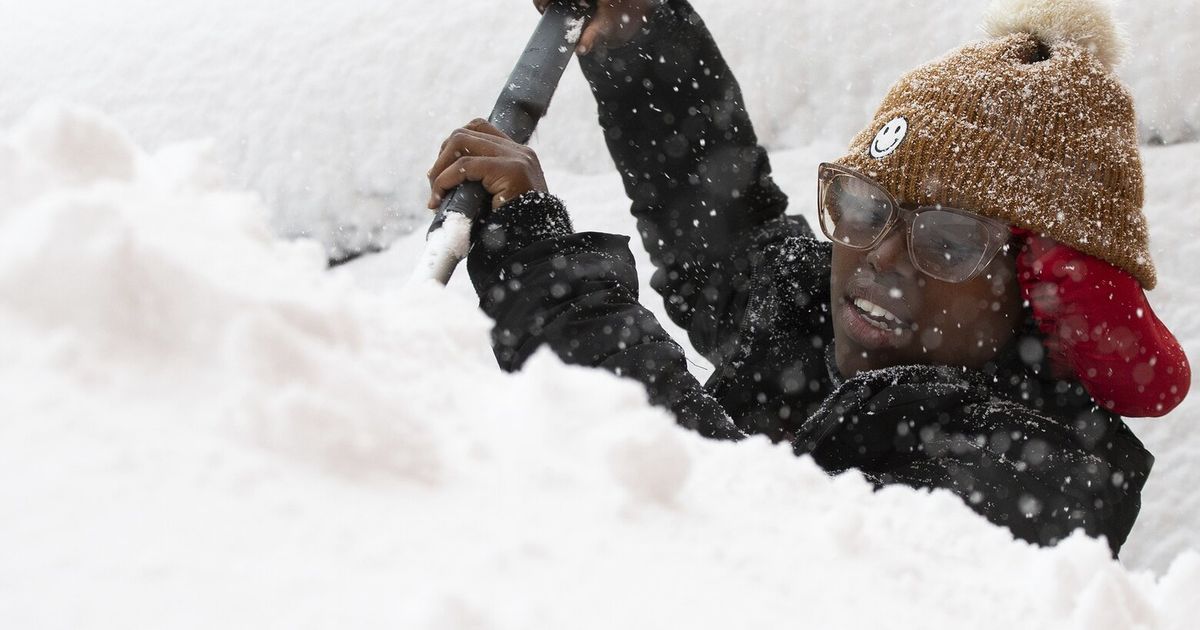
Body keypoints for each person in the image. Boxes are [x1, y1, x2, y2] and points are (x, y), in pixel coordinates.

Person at [424, 0, 1190, 556]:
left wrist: (549, 273)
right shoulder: (817, 317)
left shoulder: (1042, 486)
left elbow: (738, 547)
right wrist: (636, 33)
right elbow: (722, 229)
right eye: (864, 204)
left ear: (1040, 296)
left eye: (949, 240)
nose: (878, 258)